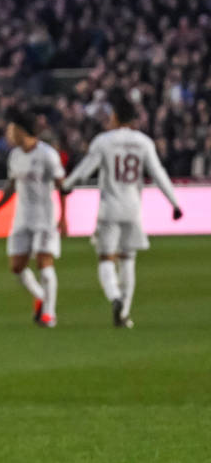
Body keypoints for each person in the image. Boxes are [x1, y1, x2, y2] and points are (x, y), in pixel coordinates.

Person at [61, 90, 183, 328]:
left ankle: (115, 298)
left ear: (115, 116)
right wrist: (175, 204)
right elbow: (158, 174)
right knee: (128, 260)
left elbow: (86, 169)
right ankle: (124, 314)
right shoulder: (144, 142)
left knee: (106, 259)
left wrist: (67, 186)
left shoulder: (104, 141)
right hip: (133, 209)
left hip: (110, 208)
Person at [0, 108, 67, 327]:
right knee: (16, 267)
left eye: (11, 130)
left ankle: (50, 314)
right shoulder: (15, 155)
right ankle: (41, 295)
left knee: (44, 263)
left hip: (45, 218)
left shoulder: (47, 154)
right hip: (22, 218)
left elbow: (62, 186)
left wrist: (64, 217)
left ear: (21, 131)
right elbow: (12, 186)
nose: (8, 135)